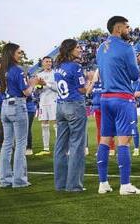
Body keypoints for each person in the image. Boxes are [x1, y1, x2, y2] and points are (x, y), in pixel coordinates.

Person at [96, 16, 140, 195]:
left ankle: (103, 184)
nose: (129, 30)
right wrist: (137, 63)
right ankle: (125, 185)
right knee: (123, 141)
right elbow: (134, 75)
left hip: (105, 98)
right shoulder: (127, 47)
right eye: (127, 27)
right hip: (123, 98)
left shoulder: (100, 48)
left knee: (104, 140)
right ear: (118, 28)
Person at [0, 43, 42, 188]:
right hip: (17, 105)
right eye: (18, 52)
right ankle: (19, 180)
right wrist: (34, 83)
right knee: (21, 144)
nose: (20, 54)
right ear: (11, 53)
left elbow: (16, 86)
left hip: (5, 106)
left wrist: (30, 82)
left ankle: (5, 180)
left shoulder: (2, 70)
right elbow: (26, 92)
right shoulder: (18, 69)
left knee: (7, 144)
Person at [53, 39, 87, 192]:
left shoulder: (58, 66)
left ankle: (60, 184)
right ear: (70, 49)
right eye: (78, 47)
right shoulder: (76, 66)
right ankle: (74, 185)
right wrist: (91, 83)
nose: (80, 49)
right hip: (74, 105)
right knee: (77, 146)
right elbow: (82, 90)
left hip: (60, 106)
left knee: (60, 147)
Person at [86, 69, 115, 156]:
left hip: (106, 109)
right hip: (97, 109)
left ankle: (111, 148)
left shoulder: (107, 83)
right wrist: (93, 82)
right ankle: (101, 148)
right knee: (99, 130)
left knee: (108, 128)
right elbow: (88, 92)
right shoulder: (95, 84)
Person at [35, 56, 58, 156]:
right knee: (44, 124)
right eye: (46, 61)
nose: (49, 63)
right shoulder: (39, 75)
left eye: (50, 61)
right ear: (43, 63)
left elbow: (57, 88)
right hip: (43, 102)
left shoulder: (55, 74)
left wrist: (46, 84)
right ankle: (46, 148)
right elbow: (37, 90)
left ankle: (59, 147)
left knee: (56, 124)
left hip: (54, 101)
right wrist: (39, 86)